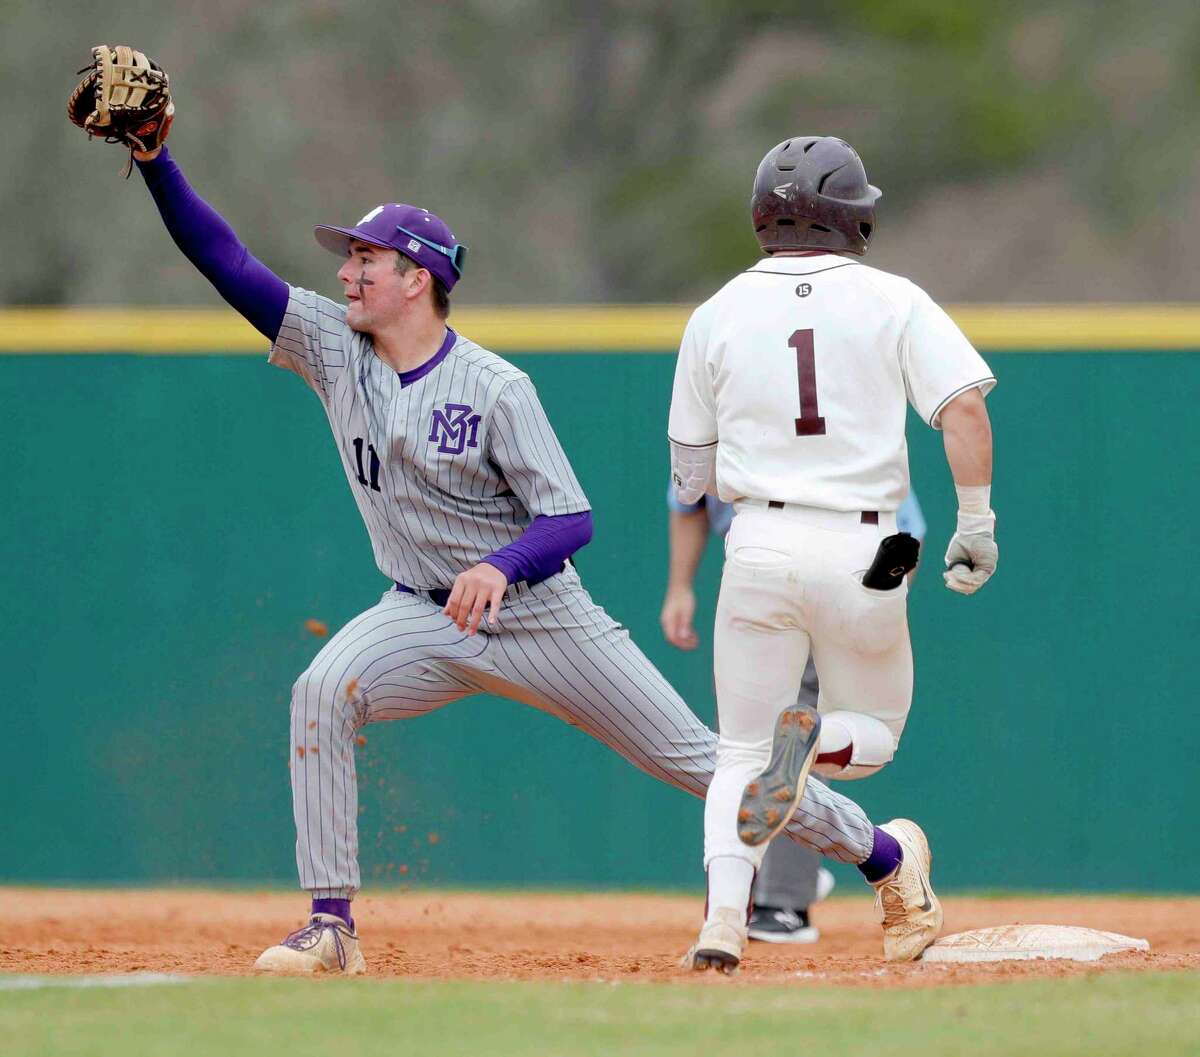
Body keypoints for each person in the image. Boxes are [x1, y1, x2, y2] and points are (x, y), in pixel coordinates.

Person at [96, 82, 896, 975]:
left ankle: (886, 855)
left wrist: (501, 566)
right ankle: (331, 927)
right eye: (348, 258)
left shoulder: (495, 387)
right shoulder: (331, 346)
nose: (347, 273)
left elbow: (572, 517)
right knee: (321, 690)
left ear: (418, 279)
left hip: (542, 617)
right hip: (420, 612)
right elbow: (225, 261)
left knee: (701, 761)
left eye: (366, 258)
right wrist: (154, 160)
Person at [669, 135, 997, 973]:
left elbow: (689, 469)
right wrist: (975, 521)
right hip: (869, 540)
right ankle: (813, 745)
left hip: (759, 541)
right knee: (877, 733)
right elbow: (963, 410)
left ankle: (722, 924)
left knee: (740, 753)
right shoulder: (894, 299)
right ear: (855, 218)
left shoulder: (715, 312)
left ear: (760, 216)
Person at [661, 485, 927, 943]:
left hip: (757, 566)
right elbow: (907, 532)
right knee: (821, 738)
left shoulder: (730, 433)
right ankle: (784, 898)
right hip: (847, 566)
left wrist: (680, 587)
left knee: (746, 746)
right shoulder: (861, 438)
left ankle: (736, 905)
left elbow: (689, 490)